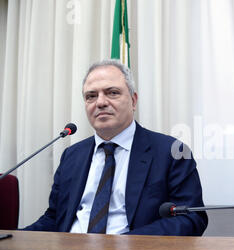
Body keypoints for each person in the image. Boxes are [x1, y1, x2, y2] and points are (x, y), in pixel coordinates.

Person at [24, 59, 207, 235]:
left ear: (133, 101)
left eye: (112, 93)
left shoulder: (172, 152)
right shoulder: (72, 155)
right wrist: (14, 238)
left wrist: (123, 246)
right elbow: (54, 218)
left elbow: (191, 218)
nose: (101, 102)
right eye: (91, 96)